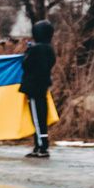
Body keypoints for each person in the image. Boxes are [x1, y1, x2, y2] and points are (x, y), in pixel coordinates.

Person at [21, 20, 56, 159]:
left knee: (37, 118)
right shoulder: (49, 48)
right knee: (41, 117)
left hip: (34, 87)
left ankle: (42, 147)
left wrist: (28, 51)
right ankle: (39, 145)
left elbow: (26, 64)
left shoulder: (37, 49)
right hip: (42, 87)